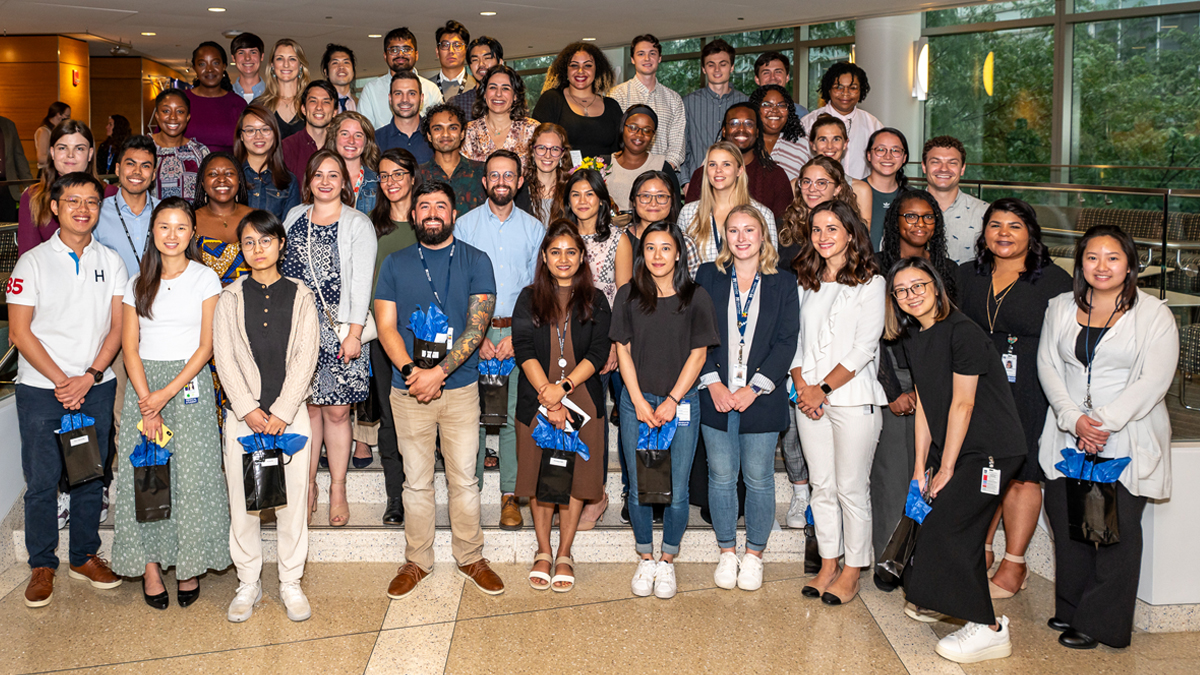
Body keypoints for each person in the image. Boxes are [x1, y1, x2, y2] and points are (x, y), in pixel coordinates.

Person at [1038, 225, 1178, 651]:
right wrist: (1072, 418)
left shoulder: (1154, 314)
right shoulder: (1060, 306)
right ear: (1079, 263)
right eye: (1092, 257)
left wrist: (1101, 422)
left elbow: (1154, 380)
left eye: (1113, 257)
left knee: (1115, 532)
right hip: (1068, 434)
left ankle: (1102, 623)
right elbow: (1048, 365)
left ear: (1131, 264)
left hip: (1125, 435)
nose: (1102, 266)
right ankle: (1072, 608)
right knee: (1069, 523)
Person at [887, 257, 1024, 664]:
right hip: (959, 451)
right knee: (944, 528)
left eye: (918, 285)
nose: (911, 295)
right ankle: (970, 616)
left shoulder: (963, 333)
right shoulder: (917, 336)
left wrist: (947, 469)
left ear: (936, 287)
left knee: (952, 531)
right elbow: (928, 405)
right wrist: (919, 468)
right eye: (901, 290)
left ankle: (989, 628)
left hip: (992, 452)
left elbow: (963, 405)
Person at [374, 181, 504, 598]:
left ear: (453, 215)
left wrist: (440, 372)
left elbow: (477, 324)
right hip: (407, 389)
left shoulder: (476, 260)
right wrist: (415, 372)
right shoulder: (394, 263)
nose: (432, 212)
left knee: (464, 480)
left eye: (441, 206)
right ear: (413, 216)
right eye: (424, 206)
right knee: (416, 483)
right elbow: (386, 326)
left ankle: (470, 557)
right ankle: (417, 560)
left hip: (461, 389)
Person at [9, 172, 127, 608]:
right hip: (42, 390)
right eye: (73, 201)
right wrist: (63, 381)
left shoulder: (110, 261)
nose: (83, 209)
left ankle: (83, 556)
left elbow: (117, 327)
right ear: (55, 207)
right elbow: (20, 333)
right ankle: (43, 563)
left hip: (94, 385)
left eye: (92, 202)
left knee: (89, 476)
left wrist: (90, 376)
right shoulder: (33, 262)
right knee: (41, 481)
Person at [110, 196, 228, 610]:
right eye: (164, 227)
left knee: (192, 477)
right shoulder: (136, 282)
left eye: (181, 227)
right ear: (153, 232)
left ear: (192, 233)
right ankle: (151, 567)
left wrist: (164, 395)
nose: (172, 235)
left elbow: (206, 346)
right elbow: (130, 348)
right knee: (147, 476)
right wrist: (147, 400)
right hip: (144, 387)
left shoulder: (204, 279)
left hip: (189, 384)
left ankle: (190, 564)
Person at [955, 198, 1073, 599]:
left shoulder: (1054, 281)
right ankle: (983, 550)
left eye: (1014, 226)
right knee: (982, 469)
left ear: (1031, 234)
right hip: (976, 385)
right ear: (983, 232)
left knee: (1023, 473)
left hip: (1030, 388)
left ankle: (1015, 562)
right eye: (995, 225)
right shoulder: (965, 275)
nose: (1003, 233)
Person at [214, 209, 321, 623]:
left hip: (289, 419)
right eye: (249, 243)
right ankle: (248, 583)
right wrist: (248, 410)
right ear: (242, 249)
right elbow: (224, 359)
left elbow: (305, 357)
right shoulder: (230, 297)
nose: (257, 250)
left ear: (280, 244)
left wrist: (280, 412)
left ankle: (290, 582)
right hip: (245, 421)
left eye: (265, 241)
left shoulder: (302, 295)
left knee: (292, 503)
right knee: (243, 506)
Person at [612, 219, 719, 598]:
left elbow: (699, 353)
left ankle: (668, 559)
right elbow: (622, 350)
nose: (658, 256)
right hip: (635, 403)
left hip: (682, 403)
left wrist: (673, 400)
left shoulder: (696, 297)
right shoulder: (627, 295)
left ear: (678, 254)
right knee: (641, 483)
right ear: (642, 253)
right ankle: (645, 556)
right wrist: (639, 401)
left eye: (666, 248)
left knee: (676, 484)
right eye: (651, 248)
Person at [696, 205, 799, 591]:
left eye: (749, 230)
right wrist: (714, 383)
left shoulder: (783, 282)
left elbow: (788, 340)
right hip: (717, 394)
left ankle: (754, 554)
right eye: (733, 231)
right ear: (725, 238)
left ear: (763, 236)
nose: (741, 238)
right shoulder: (708, 275)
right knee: (721, 478)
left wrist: (754, 387)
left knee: (758, 479)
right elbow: (696, 332)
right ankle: (726, 552)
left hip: (762, 396)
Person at [790, 199, 887, 607]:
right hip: (808, 400)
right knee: (822, 487)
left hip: (852, 400)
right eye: (816, 229)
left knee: (850, 488)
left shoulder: (871, 282)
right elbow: (796, 343)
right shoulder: (805, 280)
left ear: (851, 232)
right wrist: (801, 386)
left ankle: (853, 570)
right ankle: (829, 563)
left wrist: (822, 390)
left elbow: (865, 347)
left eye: (832, 228)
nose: (823, 237)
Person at [513, 221, 611, 591]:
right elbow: (523, 346)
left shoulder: (596, 299)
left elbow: (599, 351)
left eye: (571, 251)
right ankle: (542, 551)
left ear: (582, 257)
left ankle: (565, 553)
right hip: (536, 400)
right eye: (555, 252)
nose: (563, 258)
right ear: (544, 257)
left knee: (572, 478)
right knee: (541, 477)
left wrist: (564, 388)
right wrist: (548, 394)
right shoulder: (528, 297)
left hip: (583, 399)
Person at [281, 150, 377, 528]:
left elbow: (361, 281)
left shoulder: (357, 223)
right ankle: (307, 486)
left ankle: (338, 487)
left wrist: (354, 334)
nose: (325, 181)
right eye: (318, 174)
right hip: (300, 329)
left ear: (345, 182)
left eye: (333, 175)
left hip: (342, 330)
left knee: (337, 411)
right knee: (306, 410)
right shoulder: (293, 218)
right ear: (309, 180)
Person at [455, 149, 545, 529]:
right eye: (495, 175)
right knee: (469, 415)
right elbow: (456, 286)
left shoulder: (534, 228)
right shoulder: (465, 225)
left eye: (509, 175)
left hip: (517, 331)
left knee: (510, 415)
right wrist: (476, 335)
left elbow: (538, 287)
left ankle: (510, 495)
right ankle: (467, 497)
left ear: (520, 181)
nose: (502, 181)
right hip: (473, 329)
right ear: (484, 180)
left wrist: (516, 334)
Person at [870, 190, 958, 575]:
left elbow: (954, 333)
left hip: (940, 385)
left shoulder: (949, 270)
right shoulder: (875, 267)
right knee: (892, 476)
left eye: (927, 218)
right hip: (893, 383)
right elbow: (872, 336)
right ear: (895, 222)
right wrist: (893, 391)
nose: (919, 224)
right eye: (910, 217)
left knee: (937, 475)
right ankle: (891, 560)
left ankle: (927, 561)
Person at [363, 148, 422, 523]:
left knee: (432, 417)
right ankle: (396, 497)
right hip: (385, 338)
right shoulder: (370, 226)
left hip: (430, 338)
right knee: (391, 417)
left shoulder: (431, 221)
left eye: (399, 173)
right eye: (384, 176)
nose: (392, 181)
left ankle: (424, 493)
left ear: (413, 176)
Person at [685, 103, 792, 223]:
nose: (741, 129)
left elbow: (784, 230)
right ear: (724, 131)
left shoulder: (776, 175)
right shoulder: (703, 174)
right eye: (734, 123)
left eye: (749, 124)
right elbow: (690, 222)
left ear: (757, 132)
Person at [19, 120, 110, 256]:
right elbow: (27, 257)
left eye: (79, 148)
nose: (70, 155)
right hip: (48, 274)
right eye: (62, 148)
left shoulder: (110, 194)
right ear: (52, 152)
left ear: (90, 154)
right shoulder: (33, 196)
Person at [680, 141, 779, 266]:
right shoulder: (688, 213)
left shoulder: (762, 214)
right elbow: (680, 264)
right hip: (699, 285)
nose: (718, 170)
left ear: (739, 170)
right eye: (712, 164)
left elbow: (770, 263)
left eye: (726, 164)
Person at [531, 42, 623, 159]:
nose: (581, 71)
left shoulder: (611, 106)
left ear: (597, 69)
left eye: (588, 65)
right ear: (565, 70)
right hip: (563, 176)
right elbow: (538, 144)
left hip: (606, 176)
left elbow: (620, 151)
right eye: (574, 65)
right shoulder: (552, 100)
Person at [777, 156, 868, 272]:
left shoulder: (854, 228)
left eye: (821, 183)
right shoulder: (784, 225)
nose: (812, 189)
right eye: (806, 182)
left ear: (837, 189)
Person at [608, 34, 686, 171]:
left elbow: (677, 145)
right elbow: (612, 140)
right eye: (641, 54)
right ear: (632, 59)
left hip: (662, 176)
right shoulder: (616, 95)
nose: (647, 58)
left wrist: (664, 170)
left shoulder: (673, 99)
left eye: (652, 53)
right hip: (624, 175)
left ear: (659, 58)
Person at [680, 39, 747, 190]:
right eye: (711, 64)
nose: (717, 69)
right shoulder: (688, 103)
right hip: (697, 184)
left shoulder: (745, 103)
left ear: (732, 67)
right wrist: (685, 183)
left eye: (723, 64)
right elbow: (682, 147)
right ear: (704, 69)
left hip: (737, 185)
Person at [563, 169, 633, 307]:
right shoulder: (561, 238)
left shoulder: (618, 240)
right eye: (576, 195)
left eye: (589, 194)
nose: (582, 201)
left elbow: (624, 296)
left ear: (601, 200)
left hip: (605, 320)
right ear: (569, 202)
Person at [800, 62, 882, 180]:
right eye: (838, 87)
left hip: (860, 194)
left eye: (852, 88)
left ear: (861, 90)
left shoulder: (872, 124)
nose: (845, 93)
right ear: (828, 89)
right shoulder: (808, 123)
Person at [95, 136, 159, 276]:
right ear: (118, 169)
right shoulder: (97, 212)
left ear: (153, 174)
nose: (137, 171)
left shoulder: (165, 212)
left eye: (145, 166)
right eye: (130, 164)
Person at [359, 27, 443, 130]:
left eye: (406, 49)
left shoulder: (431, 89)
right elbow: (364, 131)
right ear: (385, 56)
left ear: (416, 55)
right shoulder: (371, 90)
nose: (400, 54)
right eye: (394, 50)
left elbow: (439, 128)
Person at [922, 136, 989, 263]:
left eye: (952, 163)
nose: (943, 168)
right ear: (924, 167)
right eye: (935, 162)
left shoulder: (985, 213)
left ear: (962, 169)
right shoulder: (905, 210)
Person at [606, 105, 679, 213]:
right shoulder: (603, 164)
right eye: (633, 127)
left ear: (653, 135)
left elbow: (675, 210)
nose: (639, 134)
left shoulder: (662, 167)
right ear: (622, 128)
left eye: (647, 130)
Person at [234, 104, 301, 221]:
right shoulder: (230, 176)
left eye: (265, 129)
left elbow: (290, 229)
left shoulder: (289, 182)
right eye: (250, 130)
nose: (258, 136)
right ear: (241, 136)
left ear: (274, 134)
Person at [419, 103, 486, 217]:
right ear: (429, 136)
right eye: (438, 128)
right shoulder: (418, 175)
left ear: (462, 134)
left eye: (453, 128)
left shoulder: (482, 171)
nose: (445, 134)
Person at [806, 115, 873, 227]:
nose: (830, 146)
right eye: (823, 139)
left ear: (845, 144)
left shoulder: (860, 190)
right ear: (812, 144)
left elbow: (863, 238)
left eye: (836, 139)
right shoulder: (796, 186)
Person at [463, 65, 537, 161]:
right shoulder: (468, 132)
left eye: (505, 88)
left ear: (515, 95)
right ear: (484, 93)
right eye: (493, 87)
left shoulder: (532, 130)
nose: (498, 94)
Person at [185, 42, 247, 155]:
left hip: (228, 170)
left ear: (224, 66)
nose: (209, 69)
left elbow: (247, 145)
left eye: (215, 63)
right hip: (186, 171)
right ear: (194, 68)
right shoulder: (181, 100)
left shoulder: (238, 104)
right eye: (202, 64)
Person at [150, 88, 210, 202]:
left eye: (180, 111)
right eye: (166, 111)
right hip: (149, 219)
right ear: (157, 115)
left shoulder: (200, 152)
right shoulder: (142, 147)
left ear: (188, 117)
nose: (173, 117)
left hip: (192, 219)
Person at [324, 111, 382, 215]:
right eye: (345, 134)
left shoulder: (378, 182)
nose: (351, 141)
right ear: (334, 137)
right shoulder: (320, 179)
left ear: (366, 142)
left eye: (358, 135)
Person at [749, 84, 809, 185]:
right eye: (767, 105)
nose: (775, 110)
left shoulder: (804, 143)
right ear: (756, 108)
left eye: (781, 105)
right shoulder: (742, 140)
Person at [515, 123, 571, 225]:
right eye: (541, 148)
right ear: (532, 150)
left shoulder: (572, 189)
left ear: (562, 154)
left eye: (555, 149)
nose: (547, 155)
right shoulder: (518, 189)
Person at [282, 80, 337, 180]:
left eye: (326, 102)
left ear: (335, 112)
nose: (319, 107)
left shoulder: (341, 148)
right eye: (313, 101)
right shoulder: (286, 148)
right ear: (303, 109)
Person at [374, 70, 432, 164]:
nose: (405, 99)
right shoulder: (376, 140)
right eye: (398, 93)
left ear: (421, 98)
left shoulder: (436, 136)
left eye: (411, 93)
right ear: (390, 99)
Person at [864, 128, 909, 247]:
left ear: (904, 157)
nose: (888, 156)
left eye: (895, 150)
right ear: (869, 155)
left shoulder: (912, 197)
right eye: (880, 150)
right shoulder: (853, 192)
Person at [449, 36, 504, 121]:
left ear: (500, 63)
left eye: (487, 58)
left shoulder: (509, 100)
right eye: (475, 60)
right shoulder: (457, 103)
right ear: (470, 66)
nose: (481, 64)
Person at [754, 51, 810, 118]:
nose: (772, 77)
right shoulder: (747, 111)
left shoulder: (801, 113)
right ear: (757, 79)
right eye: (766, 73)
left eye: (778, 72)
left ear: (787, 77)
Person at [1, 113, 34, 222]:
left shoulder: (8, 124)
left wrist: (30, 187)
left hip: (8, 189)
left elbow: (19, 156)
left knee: (8, 230)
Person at [431, 20, 473, 98]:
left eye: (457, 45)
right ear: (437, 52)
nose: (451, 51)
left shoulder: (477, 87)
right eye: (445, 45)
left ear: (466, 51)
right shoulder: (426, 87)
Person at [34, 102, 71, 173]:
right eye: (67, 116)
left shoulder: (56, 131)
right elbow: (41, 158)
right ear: (58, 115)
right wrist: (62, 159)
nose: (68, 119)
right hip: (47, 171)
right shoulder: (44, 131)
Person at [231, 33, 266, 103]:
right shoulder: (224, 96)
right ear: (233, 58)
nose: (247, 58)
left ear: (261, 57)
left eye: (253, 52)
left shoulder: (275, 95)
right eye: (241, 53)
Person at [321, 44, 358, 112]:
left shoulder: (361, 104)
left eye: (346, 62)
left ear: (353, 71)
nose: (341, 67)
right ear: (326, 72)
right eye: (335, 63)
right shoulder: (319, 105)